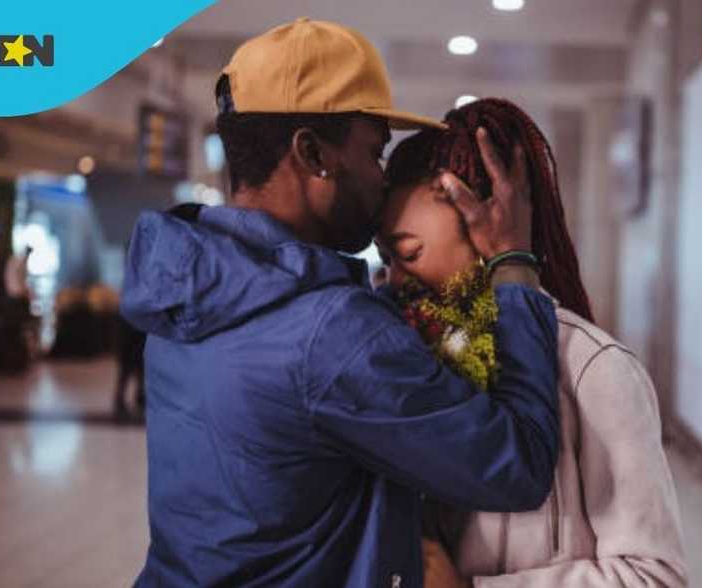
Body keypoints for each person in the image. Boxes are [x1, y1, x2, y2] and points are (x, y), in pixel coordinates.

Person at [119, 19, 561, 588]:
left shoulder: (185, 287)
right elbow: (519, 464)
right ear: (313, 154)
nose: (381, 180)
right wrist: (513, 263)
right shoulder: (333, 333)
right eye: (374, 153)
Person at [379, 98, 688, 587]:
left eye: (410, 253)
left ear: (490, 233)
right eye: (386, 260)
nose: (395, 280)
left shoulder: (593, 367)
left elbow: (653, 577)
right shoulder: (415, 356)